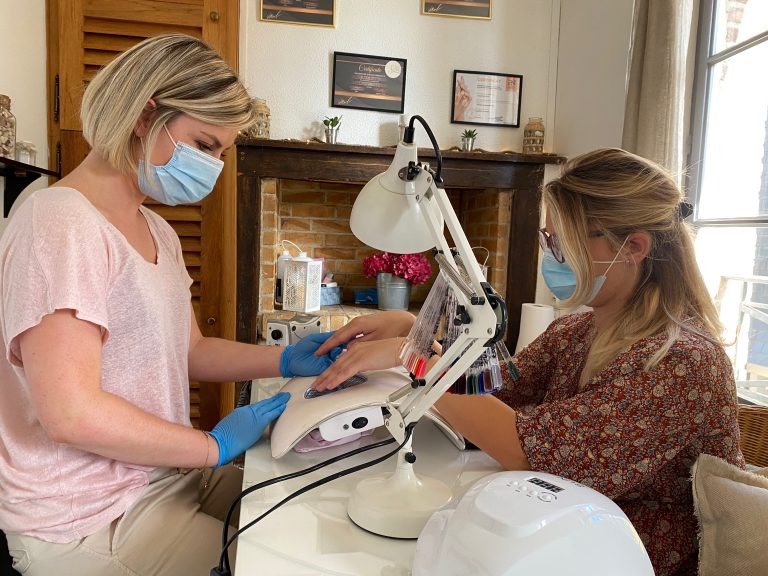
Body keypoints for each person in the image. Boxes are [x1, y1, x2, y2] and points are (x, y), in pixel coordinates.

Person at [313, 148, 744, 576]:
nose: (551, 257)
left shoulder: (683, 364)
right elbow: (493, 391)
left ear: (632, 247)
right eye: (548, 240)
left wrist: (415, 358)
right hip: (557, 544)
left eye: (562, 243)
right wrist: (416, 328)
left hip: (624, 559)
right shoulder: (576, 332)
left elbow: (525, 451)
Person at [0, 34, 340, 576]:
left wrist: (282, 360)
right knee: (277, 560)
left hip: (162, 475)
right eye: (204, 145)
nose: (214, 167)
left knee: (303, 506)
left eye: (222, 153)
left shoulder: (157, 230)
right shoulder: (59, 222)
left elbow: (191, 351)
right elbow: (70, 413)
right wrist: (210, 446)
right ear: (144, 114)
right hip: (87, 511)